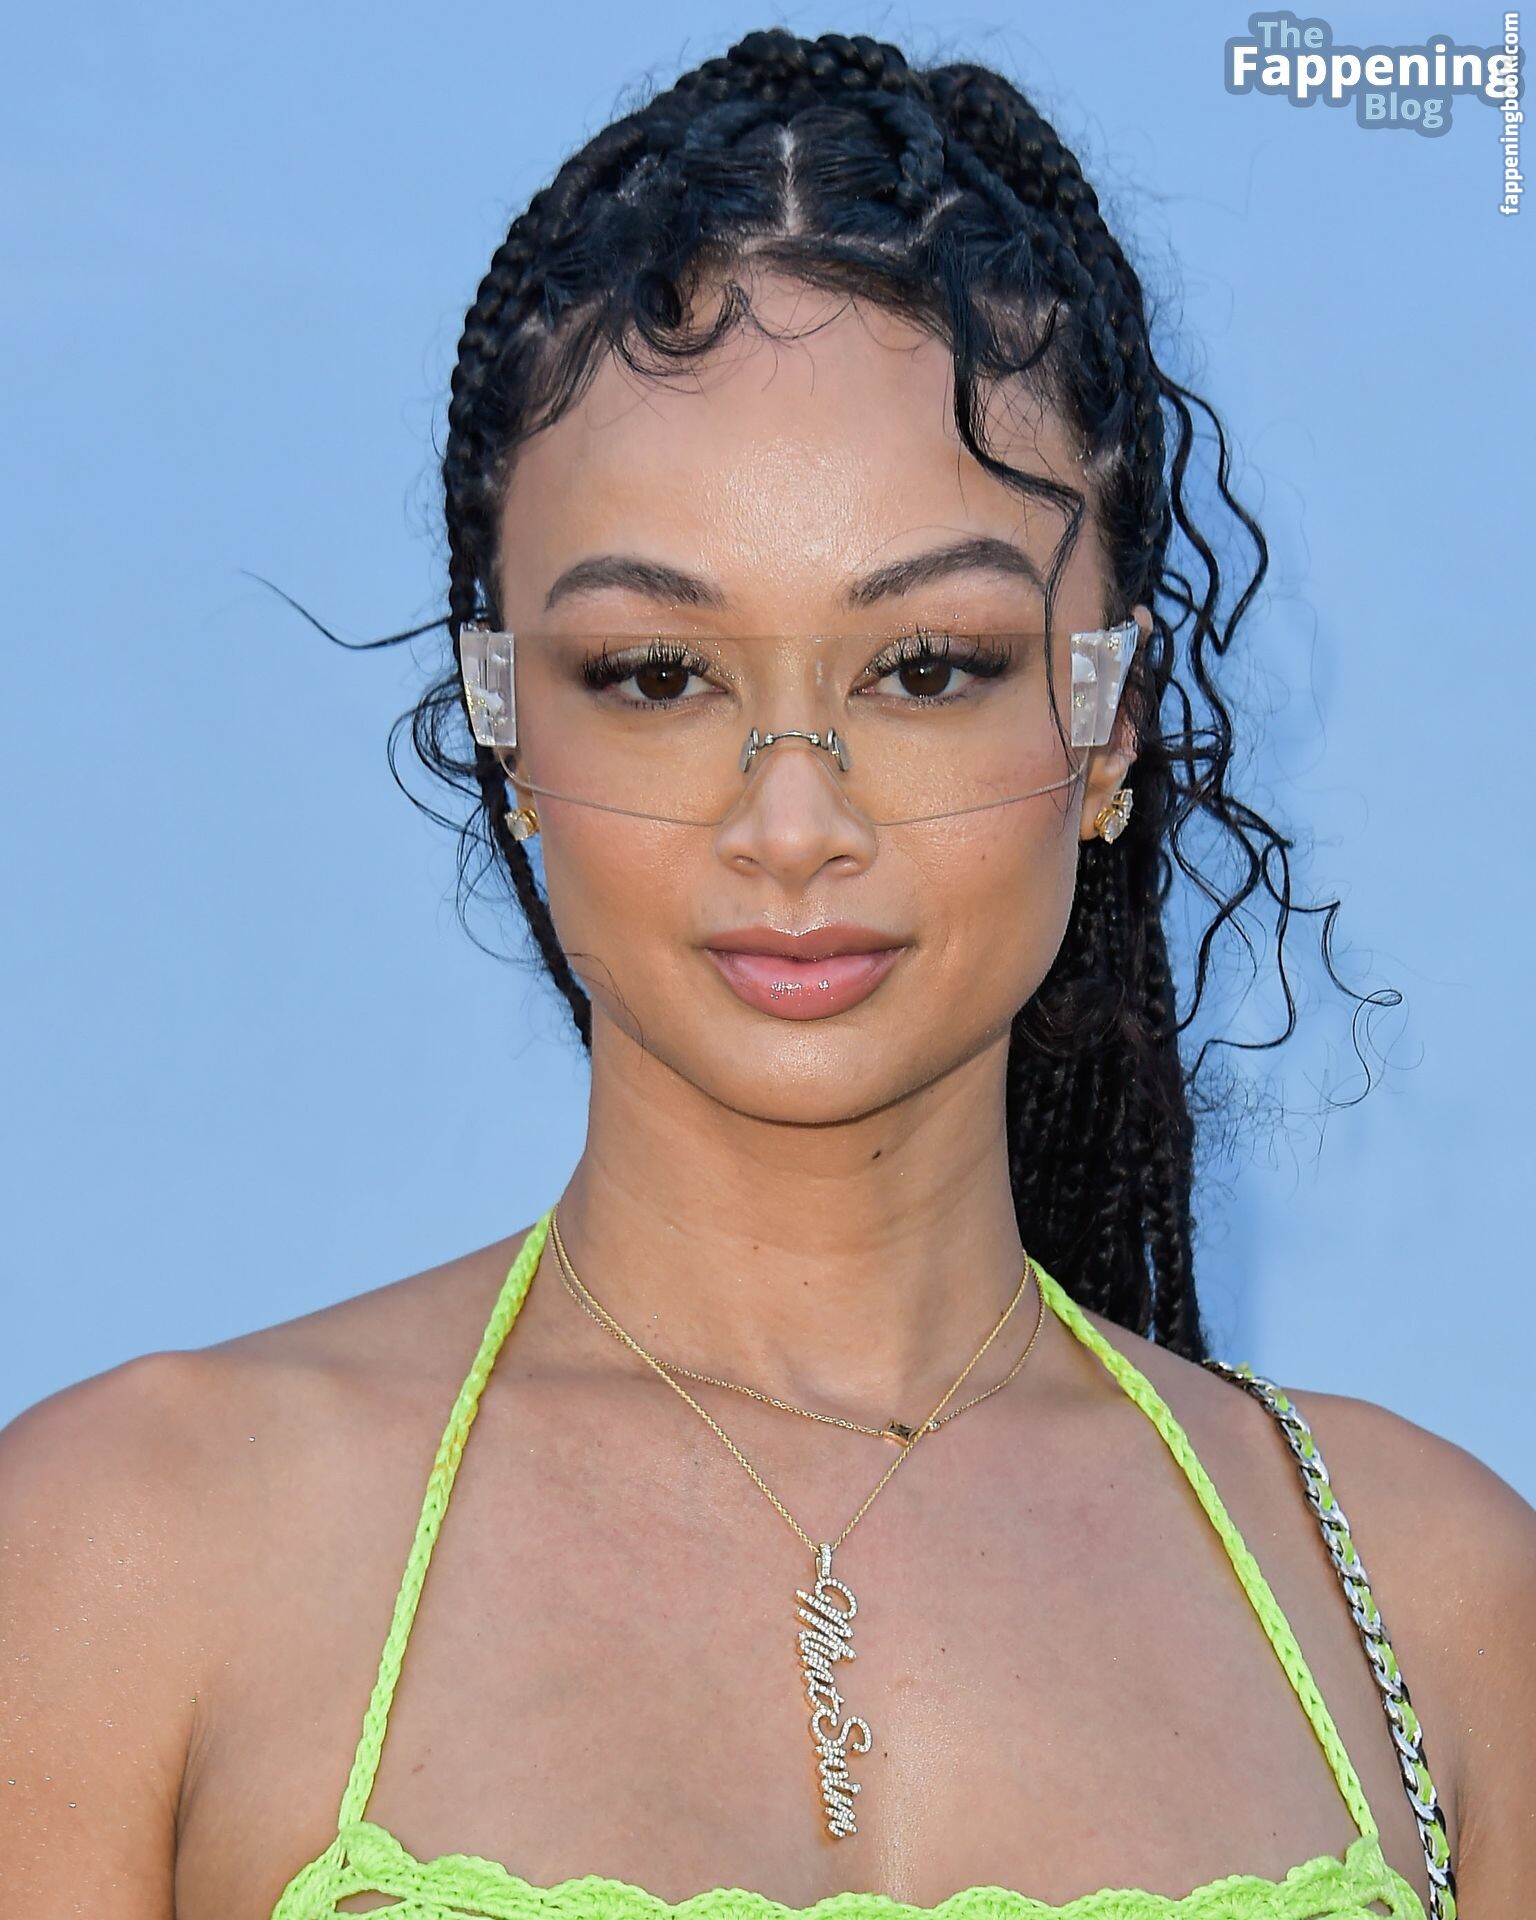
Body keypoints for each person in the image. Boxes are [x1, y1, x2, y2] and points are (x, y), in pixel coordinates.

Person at [2, 26, 1531, 1920]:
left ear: (1110, 721)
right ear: (504, 721)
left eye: (928, 668)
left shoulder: (1440, 1610)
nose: (792, 824)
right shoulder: (127, 1561)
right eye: (655, 676)